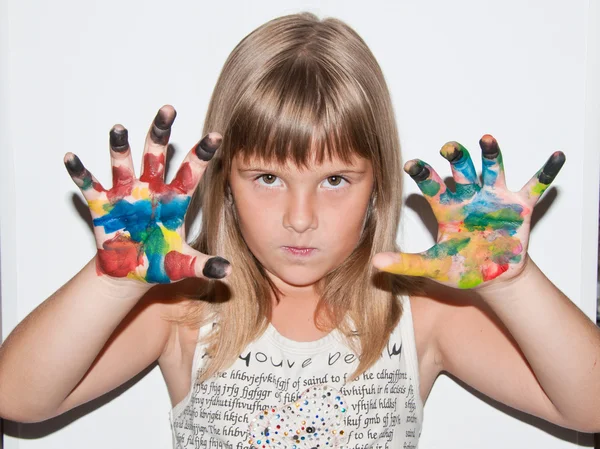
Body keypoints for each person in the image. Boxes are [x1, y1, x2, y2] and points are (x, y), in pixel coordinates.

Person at [0, 11, 598, 449]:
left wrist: (511, 283)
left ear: (379, 185)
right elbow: (17, 398)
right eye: (266, 177)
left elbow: (589, 408)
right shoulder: (182, 314)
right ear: (223, 181)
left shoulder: (418, 316)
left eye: (336, 180)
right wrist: (114, 280)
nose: (300, 216)